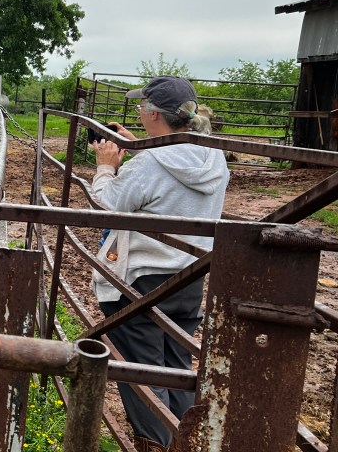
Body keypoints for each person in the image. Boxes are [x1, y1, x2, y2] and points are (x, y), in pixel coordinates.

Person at [89, 75, 228, 452]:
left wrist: (105, 166)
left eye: (140, 106)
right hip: (190, 277)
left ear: (153, 113)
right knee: (176, 369)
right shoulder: (212, 154)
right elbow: (170, 178)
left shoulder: (149, 163)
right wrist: (140, 151)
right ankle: (186, 443)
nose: (137, 110)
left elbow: (108, 205)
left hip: (142, 283)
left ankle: (156, 447)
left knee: (143, 380)